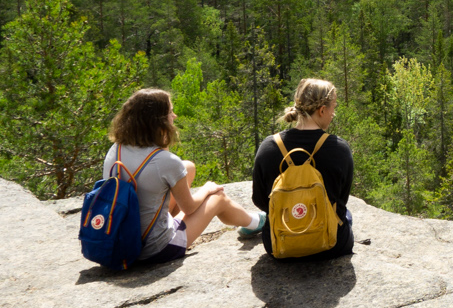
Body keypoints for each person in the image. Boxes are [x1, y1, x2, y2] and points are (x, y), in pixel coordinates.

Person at [103, 87, 257, 265]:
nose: (174, 116)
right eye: (170, 112)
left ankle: (174, 225)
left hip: (121, 238)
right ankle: (257, 222)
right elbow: (190, 207)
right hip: (154, 249)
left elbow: (159, 170)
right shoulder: (166, 162)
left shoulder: (116, 150)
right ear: (158, 122)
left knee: (188, 167)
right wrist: (207, 189)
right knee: (219, 198)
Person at [245, 77, 355, 260]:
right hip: (331, 246)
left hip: (278, 244)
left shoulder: (268, 147)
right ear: (322, 110)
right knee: (346, 214)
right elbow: (341, 199)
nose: (333, 114)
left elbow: (260, 200)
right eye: (333, 107)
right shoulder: (339, 148)